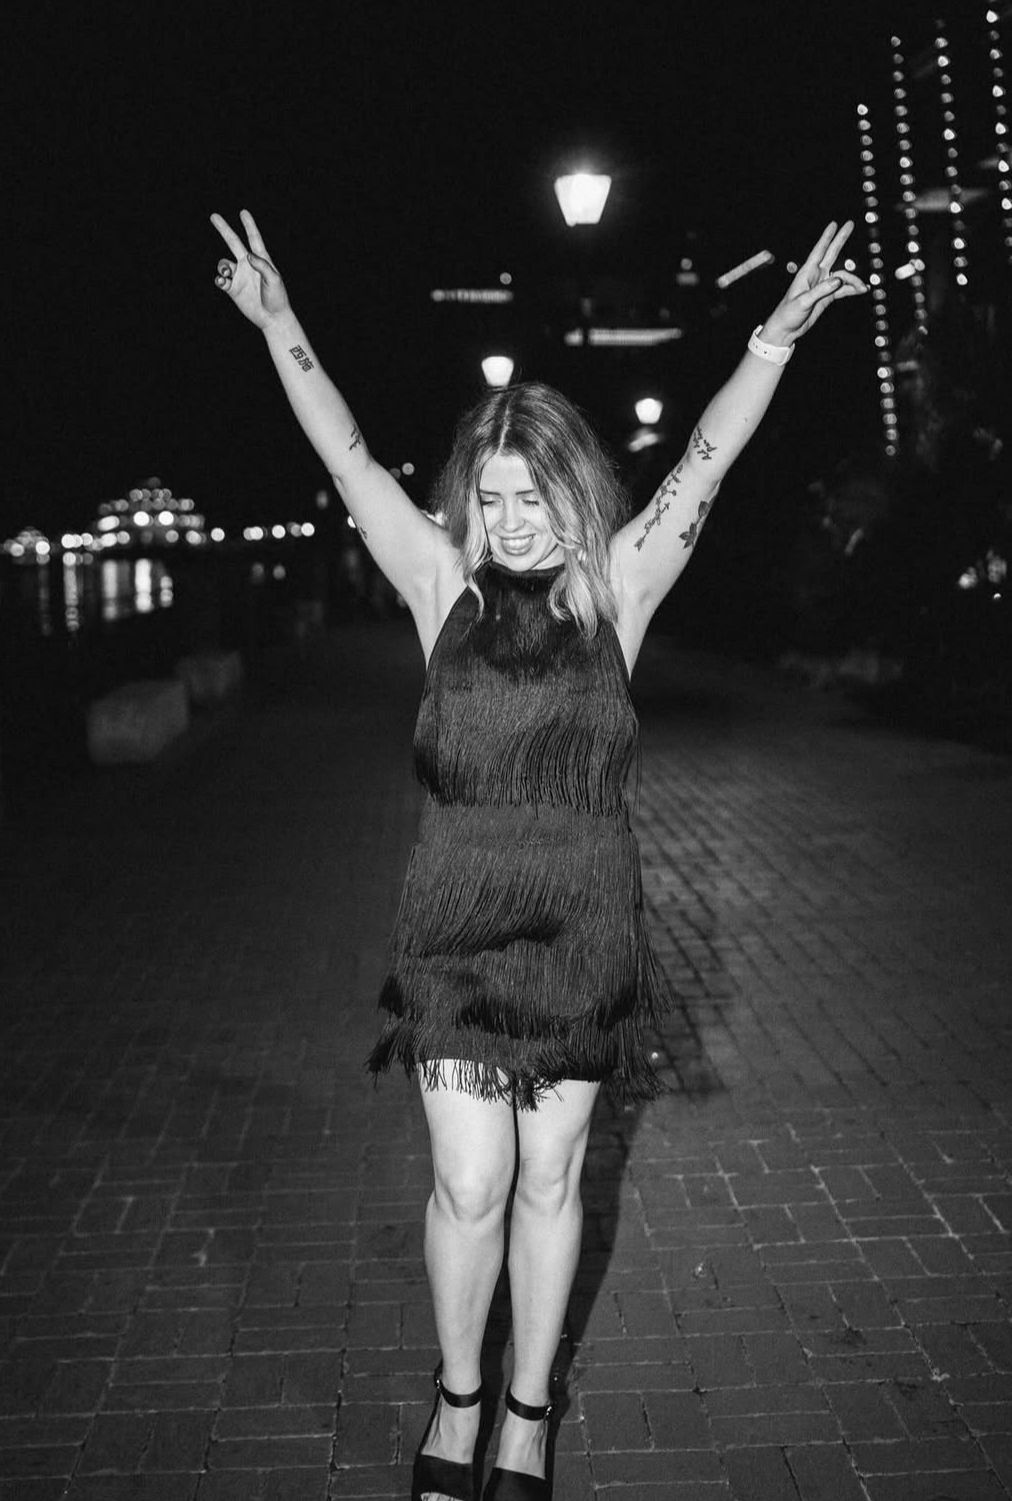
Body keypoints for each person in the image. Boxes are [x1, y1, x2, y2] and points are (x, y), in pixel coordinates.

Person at [210, 207, 865, 1501]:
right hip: (453, 932)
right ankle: (458, 1393)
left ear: (572, 491)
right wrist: (283, 326)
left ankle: (526, 1410)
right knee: (470, 1182)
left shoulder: (622, 587)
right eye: (489, 497)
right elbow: (346, 459)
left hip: (583, 929)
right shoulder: (437, 589)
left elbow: (707, 460)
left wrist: (773, 346)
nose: (506, 520)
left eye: (530, 496)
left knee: (555, 1173)